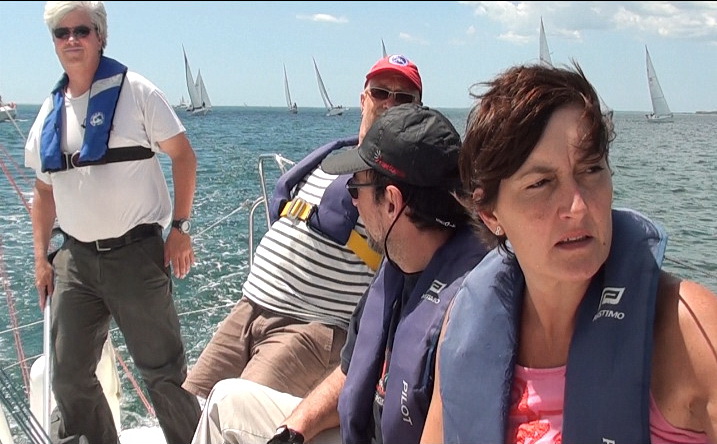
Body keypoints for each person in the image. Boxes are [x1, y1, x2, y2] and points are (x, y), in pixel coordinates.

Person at [420, 62, 717, 444]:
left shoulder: (687, 330)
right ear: (491, 214)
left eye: (591, 169)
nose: (578, 207)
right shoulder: (463, 326)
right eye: (541, 183)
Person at [191, 103, 490, 444]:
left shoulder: (466, 310)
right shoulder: (397, 267)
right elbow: (352, 373)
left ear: (392, 202)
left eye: (355, 190)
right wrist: (294, 430)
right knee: (227, 401)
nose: (355, 203)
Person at [182, 54, 424, 403]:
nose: (389, 103)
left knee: (237, 412)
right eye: (380, 92)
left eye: (403, 98)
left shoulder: (410, 182)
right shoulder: (335, 157)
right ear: (363, 99)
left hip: (311, 326)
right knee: (190, 404)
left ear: (417, 110)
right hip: (251, 305)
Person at [24, 2, 200, 443]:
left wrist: (180, 229)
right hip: (75, 261)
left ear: (100, 36)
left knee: (163, 373)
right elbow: (43, 193)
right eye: (61, 33)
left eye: (81, 30)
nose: (71, 40)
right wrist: (41, 259)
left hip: (135, 255)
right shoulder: (49, 114)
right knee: (68, 377)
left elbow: (183, 156)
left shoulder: (137, 92)